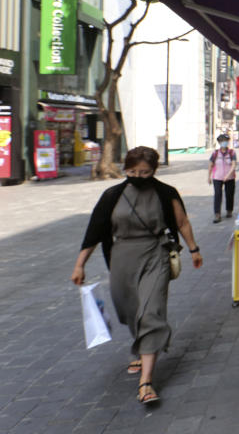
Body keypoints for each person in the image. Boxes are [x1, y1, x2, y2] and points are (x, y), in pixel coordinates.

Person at [71, 146, 202, 405]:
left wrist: (193, 249)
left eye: (144, 172)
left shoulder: (165, 193)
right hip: (121, 257)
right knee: (129, 309)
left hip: (155, 254)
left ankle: (146, 381)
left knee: (151, 311)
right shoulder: (112, 195)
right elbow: (94, 232)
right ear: (125, 169)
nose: (138, 176)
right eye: (132, 171)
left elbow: (182, 222)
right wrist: (79, 265)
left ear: (154, 171)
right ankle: (143, 348)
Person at [208, 134, 237, 222]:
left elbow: (234, 165)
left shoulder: (232, 152)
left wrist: (228, 175)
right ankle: (217, 214)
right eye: (222, 141)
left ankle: (229, 210)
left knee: (229, 194)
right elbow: (210, 165)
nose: (224, 142)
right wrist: (208, 176)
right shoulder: (215, 153)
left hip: (230, 178)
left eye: (226, 141)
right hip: (217, 177)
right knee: (217, 195)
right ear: (219, 142)